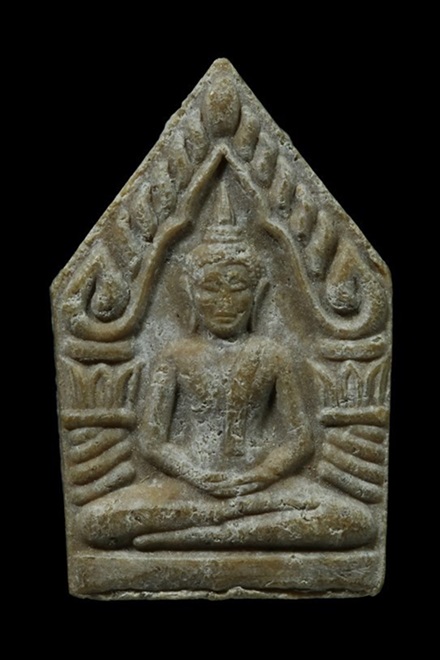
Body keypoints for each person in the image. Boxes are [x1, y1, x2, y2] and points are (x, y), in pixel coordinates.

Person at [79, 197, 375, 551]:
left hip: (262, 489)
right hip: (190, 487)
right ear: (190, 292)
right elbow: (152, 441)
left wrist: (260, 476)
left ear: (257, 294)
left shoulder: (272, 354)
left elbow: (300, 440)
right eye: (210, 287)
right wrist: (197, 475)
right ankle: (231, 524)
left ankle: (204, 535)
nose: (224, 301)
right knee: (92, 522)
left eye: (237, 288)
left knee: (355, 520)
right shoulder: (175, 355)